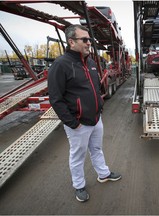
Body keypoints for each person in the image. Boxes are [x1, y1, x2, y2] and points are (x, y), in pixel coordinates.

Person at [48, 24, 121, 202]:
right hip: (78, 123)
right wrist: (73, 123)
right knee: (77, 155)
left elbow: (95, 87)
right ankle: (79, 186)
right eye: (85, 40)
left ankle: (103, 174)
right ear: (71, 42)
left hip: (96, 119)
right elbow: (56, 99)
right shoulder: (61, 65)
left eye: (90, 39)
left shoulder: (89, 62)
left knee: (96, 149)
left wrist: (100, 106)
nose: (89, 43)